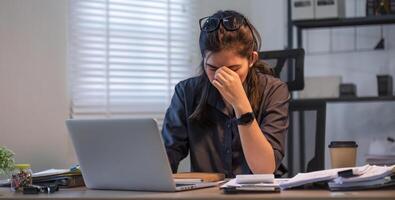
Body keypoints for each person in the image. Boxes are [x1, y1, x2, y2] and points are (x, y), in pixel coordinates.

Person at [161, 10, 290, 178]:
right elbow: (165, 159)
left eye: (233, 69)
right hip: (208, 194)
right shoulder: (186, 92)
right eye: (212, 68)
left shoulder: (274, 90)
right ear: (203, 60)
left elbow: (264, 168)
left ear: (252, 59)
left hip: (258, 193)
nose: (221, 76)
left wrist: (241, 104)